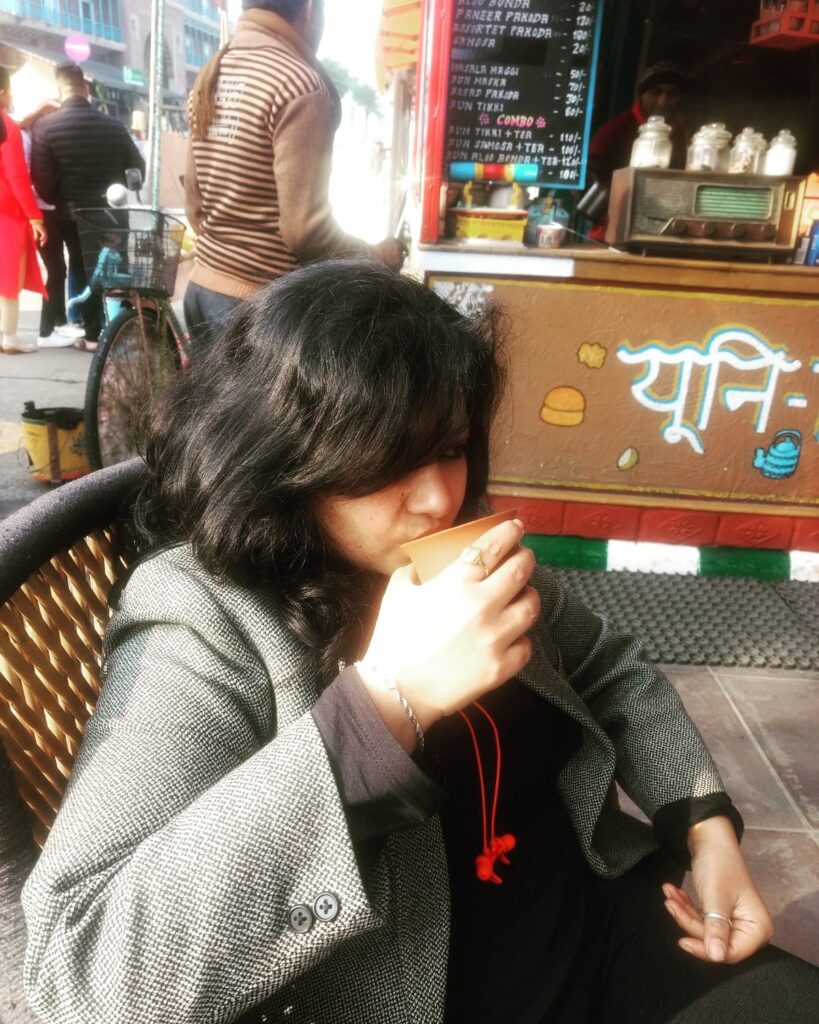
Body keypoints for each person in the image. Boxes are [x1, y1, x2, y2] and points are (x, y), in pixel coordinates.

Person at [22, 261, 819, 1024]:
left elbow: (605, 664)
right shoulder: (204, 614)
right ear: (283, 458)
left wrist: (704, 830)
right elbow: (82, 979)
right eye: (384, 462)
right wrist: (387, 705)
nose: (438, 496)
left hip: (602, 919)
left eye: (448, 446)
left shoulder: (454, 551)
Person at [183, 0, 406, 355]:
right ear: (308, 11)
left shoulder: (216, 70)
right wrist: (374, 257)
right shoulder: (299, 83)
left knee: (208, 411)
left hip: (201, 290)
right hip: (252, 310)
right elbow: (306, 231)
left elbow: (194, 204)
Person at [30, 62, 145, 352]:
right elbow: (137, 169)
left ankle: (92, 334)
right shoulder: (114, 126)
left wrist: (64, 197)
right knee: (114, 268)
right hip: (110, 211)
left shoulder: (46, 127)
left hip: (70, 213)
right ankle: (119, 328)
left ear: (60, 90)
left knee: (82, 267)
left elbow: (42, 181)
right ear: (86, 89)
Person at [18, 101, 76, 349]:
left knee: (58, 268)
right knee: (54, 269)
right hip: (41, 212)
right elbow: (26, 177)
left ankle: (58, 321)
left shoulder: (30, 136)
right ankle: (46, 329)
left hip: (43, 211)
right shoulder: (28, 140)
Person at [0, 68, 47, 355]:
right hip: (7, 212)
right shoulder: (7, 125)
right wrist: (35, 217)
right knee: (7, 276)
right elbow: (17, 177)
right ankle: (9, 338)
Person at [588, 60, 689, 188]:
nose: (663, 102)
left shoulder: (679, 131)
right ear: (642, 95)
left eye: (672, 94)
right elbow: (589, 170)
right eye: (655, 92)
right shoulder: (618, 127)